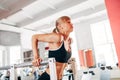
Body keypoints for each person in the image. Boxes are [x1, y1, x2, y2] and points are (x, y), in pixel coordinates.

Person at [32, 16, 73, 80]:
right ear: (60, 26)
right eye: (69, 22)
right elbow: (34, 37)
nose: (72, 24)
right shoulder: (58, 37)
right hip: (48, 78)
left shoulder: (68, 41)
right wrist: (36, 57)